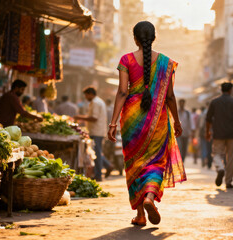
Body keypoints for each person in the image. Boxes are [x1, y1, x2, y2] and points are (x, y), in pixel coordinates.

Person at [107, 21, 186, 226]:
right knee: (155, 162)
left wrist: (113, 123)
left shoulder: (126, 59)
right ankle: (150, 197)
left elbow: (123, 92)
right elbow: (169, 96)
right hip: (157, 118)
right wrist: (176, 121)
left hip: (132, 118)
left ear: (135, 38)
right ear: (154, 38)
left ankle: (141, 214)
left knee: (135, 164)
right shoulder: (166, 63)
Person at [206, 82, 233, 189]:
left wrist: (207, 132)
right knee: (231, 157)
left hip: (218, 133)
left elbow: (208, 119)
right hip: (232, 133)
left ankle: (220, 168)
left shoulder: (214, 102)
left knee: (217, 154)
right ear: (230, 90)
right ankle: (228, 181)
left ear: (221, 90)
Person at [75, 87, 114, 181]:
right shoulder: (97, 101)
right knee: (96, 152)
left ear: (90, 94)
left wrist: (80, 117)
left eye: (86, 95)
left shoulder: (96, 102)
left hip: (96, 131)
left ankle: (99, 175)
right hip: (96, 131)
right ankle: (107, 166)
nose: (85, 97)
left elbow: (94, 118)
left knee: (96, 153)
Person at [198, 104, 213, 168]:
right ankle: (209, 161)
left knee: (204, 147)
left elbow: (201, 125)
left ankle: (204, 159)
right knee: (210, 148)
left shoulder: (203, 114)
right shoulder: (213, 113)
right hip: (211, 133)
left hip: (204, 133)